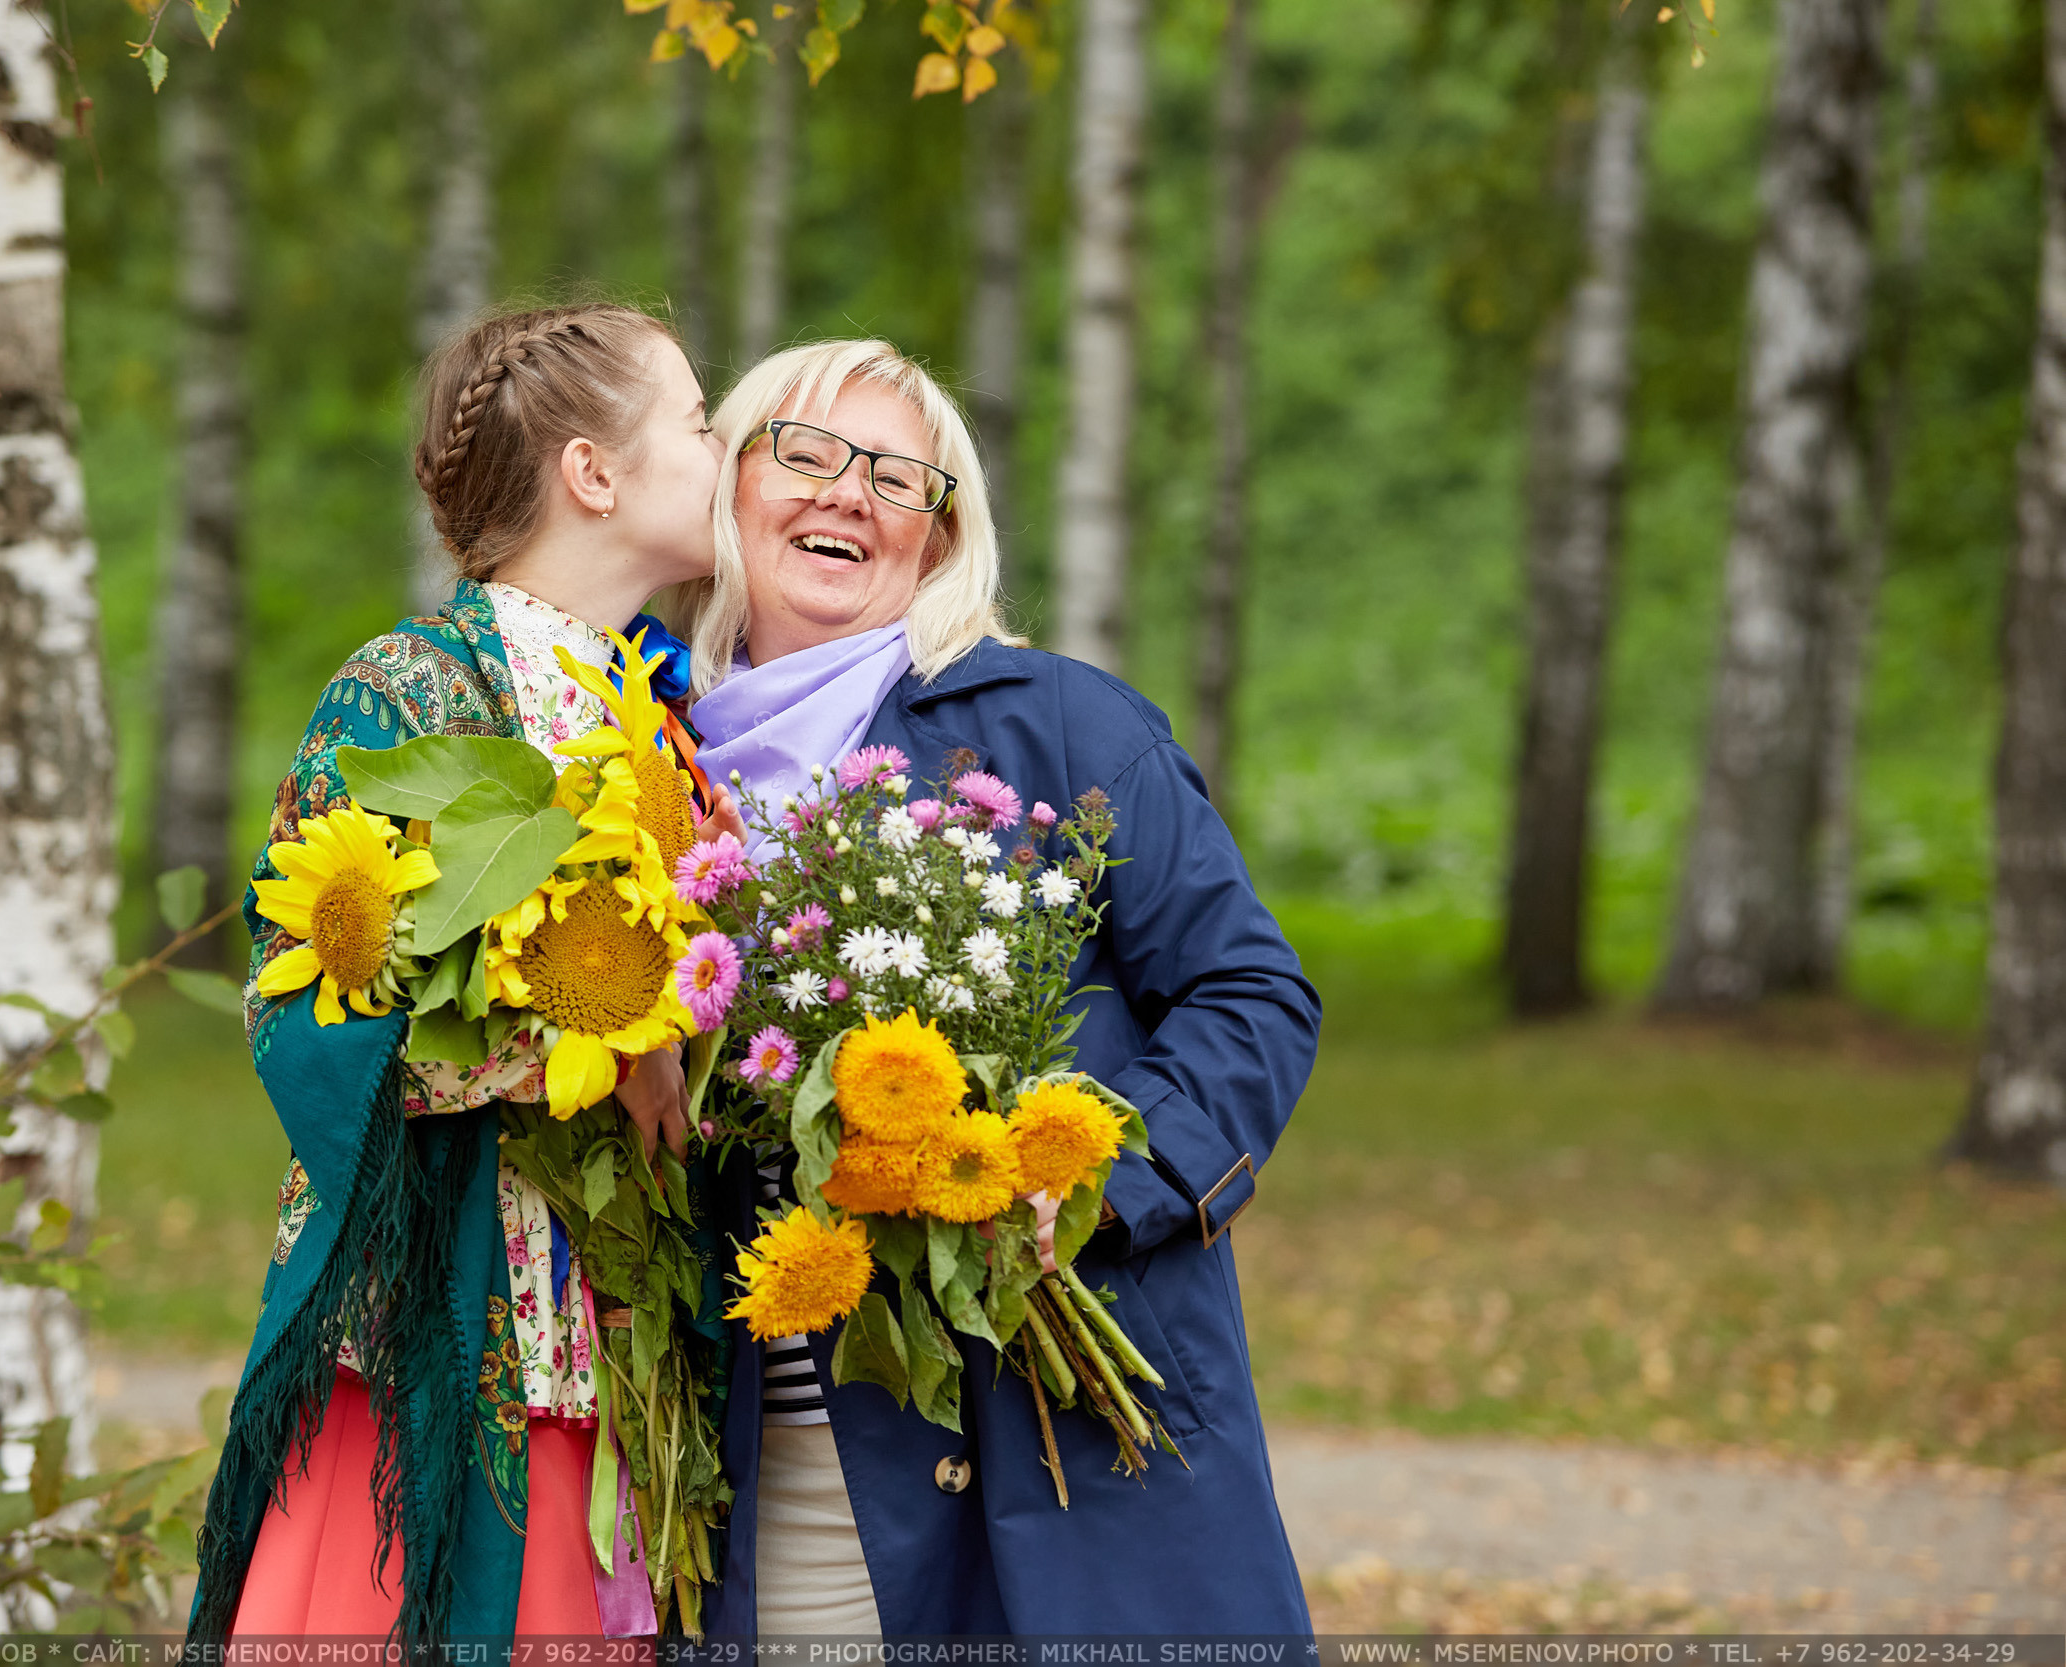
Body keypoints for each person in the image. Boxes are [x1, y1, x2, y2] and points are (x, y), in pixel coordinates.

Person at [668, 339, 1322, 1635]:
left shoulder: (1060, 725)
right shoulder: (644, 762)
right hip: (768, 1451)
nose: (847, 494)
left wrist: (1084, 1183)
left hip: (1052, 1428)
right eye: (805, 453)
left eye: (898, 477)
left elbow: (1250, 994)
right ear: (725, 489)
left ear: (937, 536)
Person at [185, 302, 739, 1645]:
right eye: (700, 424)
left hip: (618, 1335)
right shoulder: (413, 689)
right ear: (592, 474)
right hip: (447, 1315)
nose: (729, 454)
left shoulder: (657, 716)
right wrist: (601, 1032)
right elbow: (301, 1004)